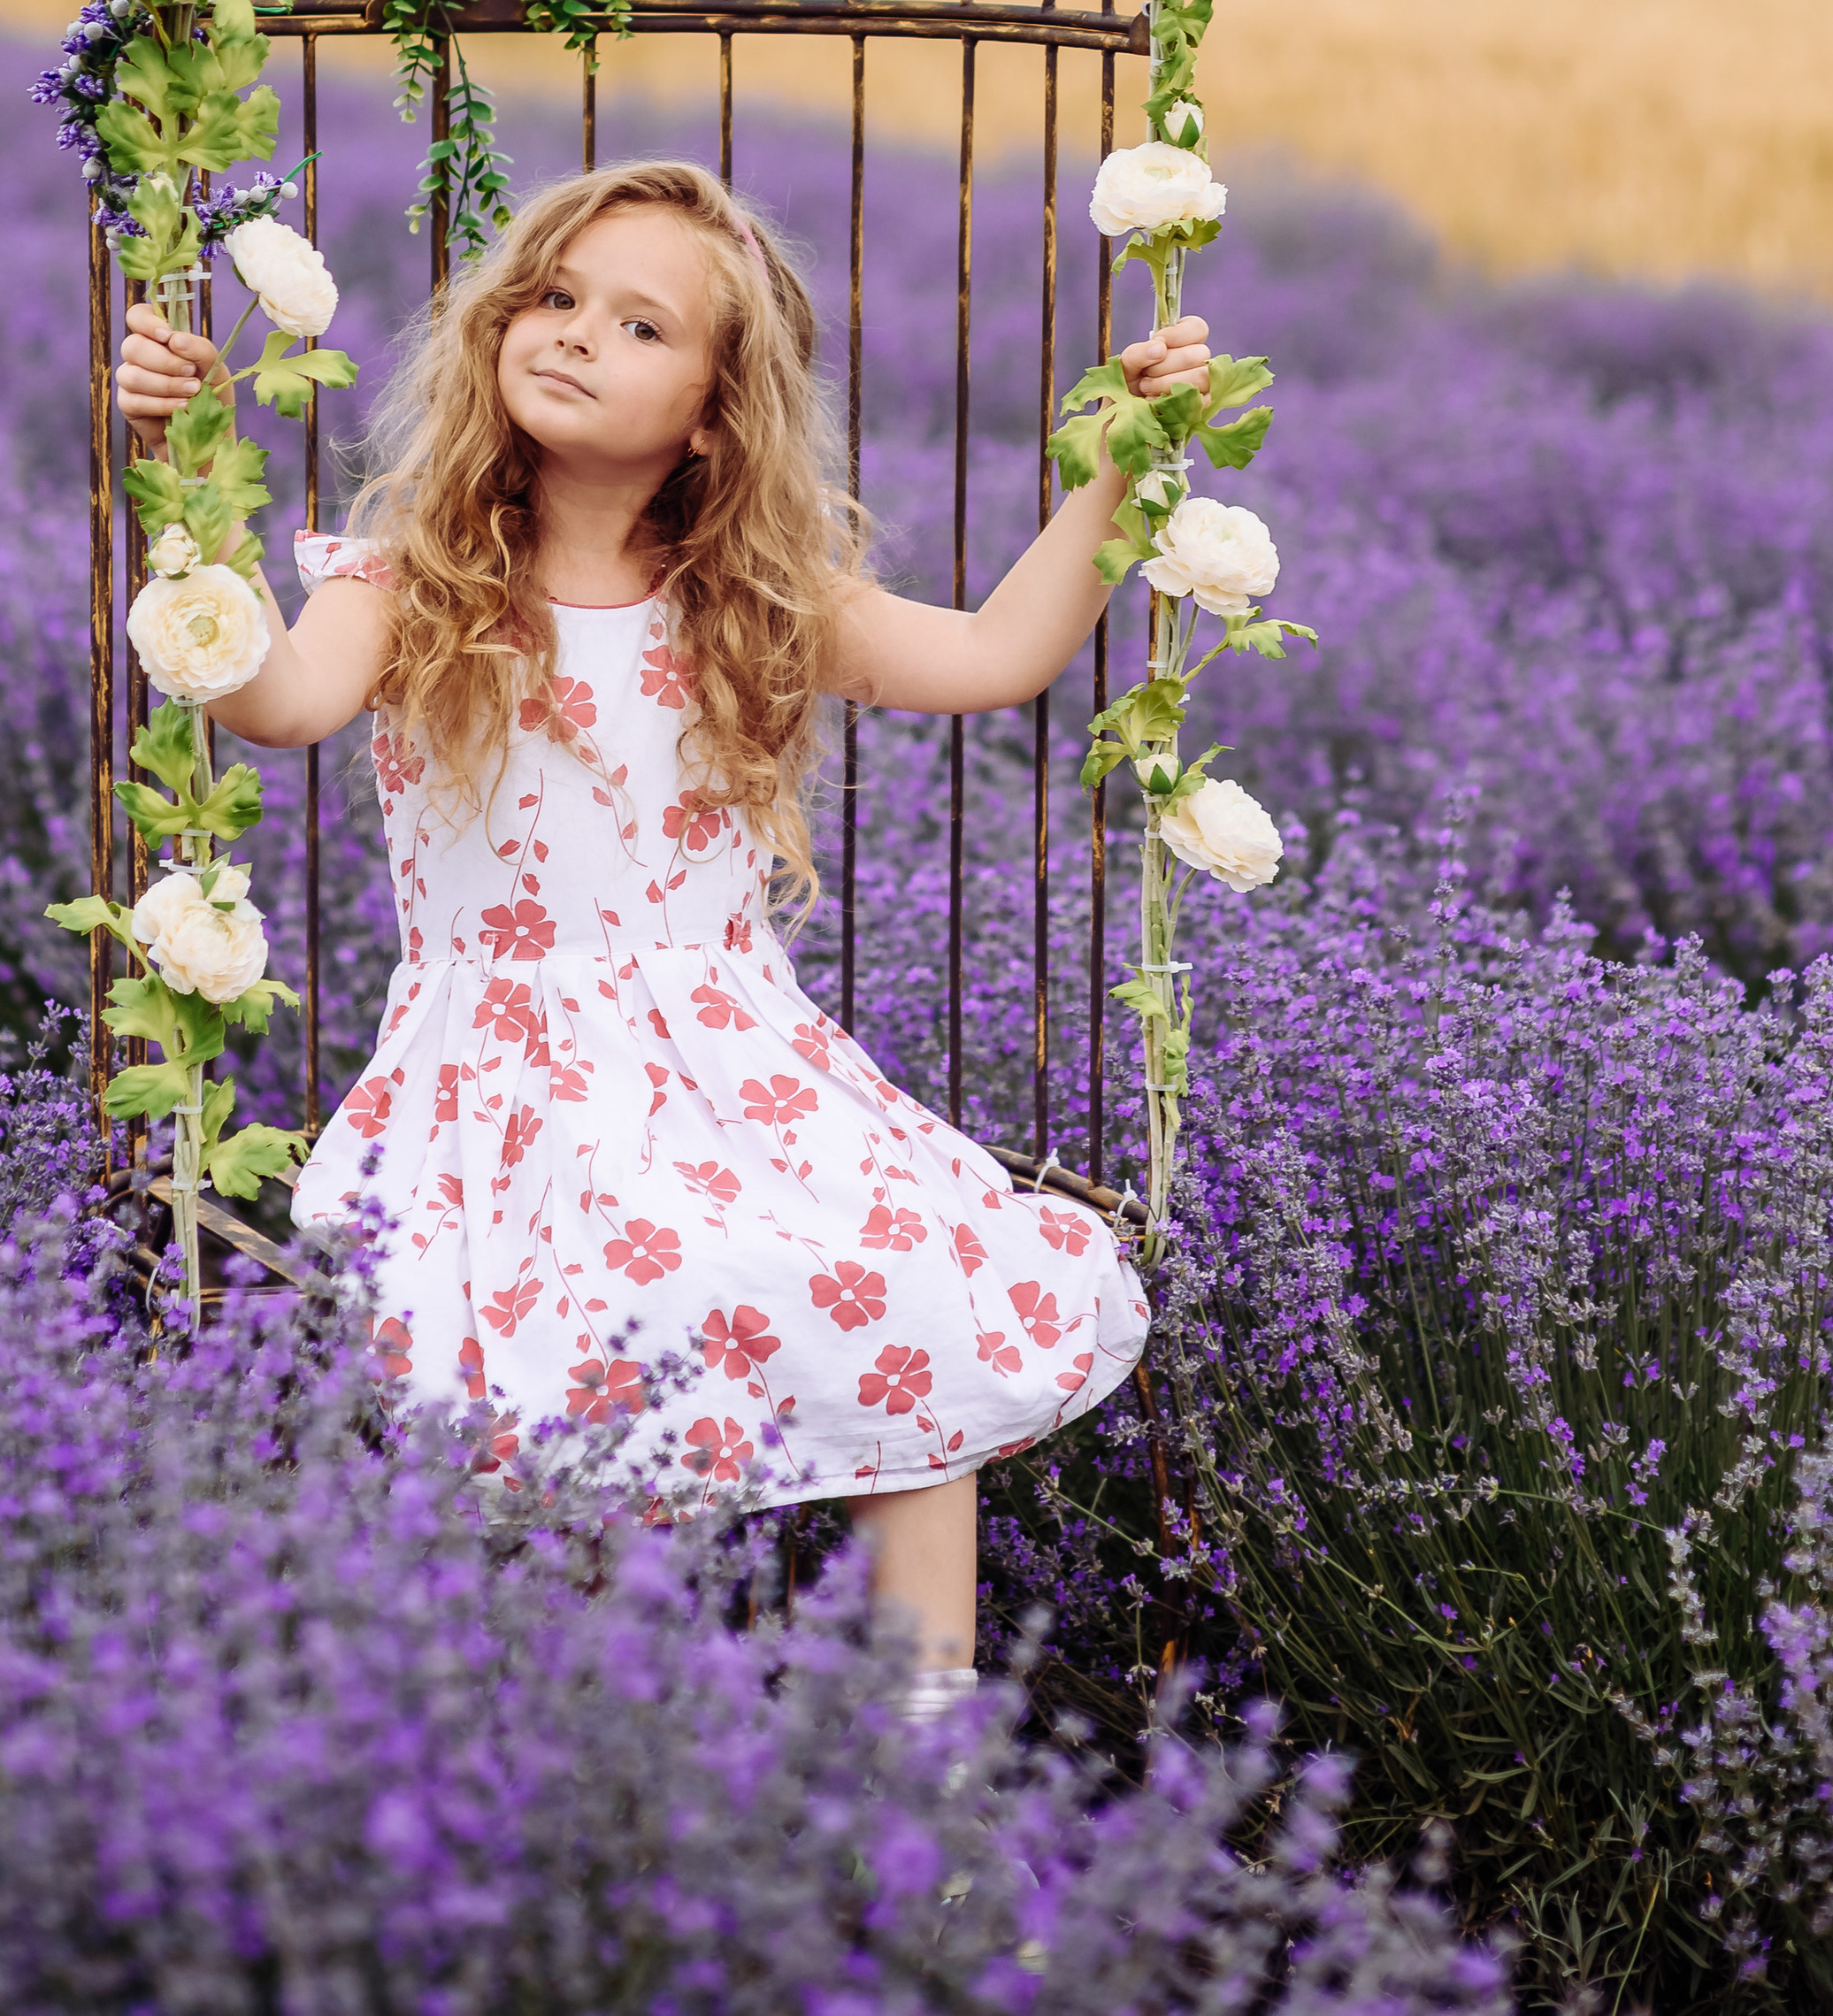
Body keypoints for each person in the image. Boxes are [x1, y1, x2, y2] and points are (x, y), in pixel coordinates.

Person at [119, 157, 1210, 1716]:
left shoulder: (741, 602)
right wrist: (195, 466)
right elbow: (274, 702)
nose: (573, 334)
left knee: (916, 1285)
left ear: (712, 411)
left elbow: (994, 654)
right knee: (598, 1335)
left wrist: (1126, 463)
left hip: (742, 1074)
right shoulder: (410, 587)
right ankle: (601, 1747)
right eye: (555, 298)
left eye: (639, 325)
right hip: (508, 1085)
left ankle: (929, 1767)